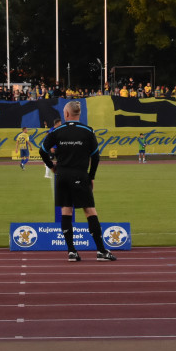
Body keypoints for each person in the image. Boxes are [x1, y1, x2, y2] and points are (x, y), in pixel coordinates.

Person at [38, 101, 116, 262]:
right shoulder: (87, 131)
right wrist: (91, 176)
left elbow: (42, 150)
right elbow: (95, 157)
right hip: (80, 175)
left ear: (66, 114)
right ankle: (101, 251)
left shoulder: (57, 131)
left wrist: (51, 166)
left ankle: (72, 252)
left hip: (62, 175)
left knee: (66, 211)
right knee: (89, 211)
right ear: (79, 114)